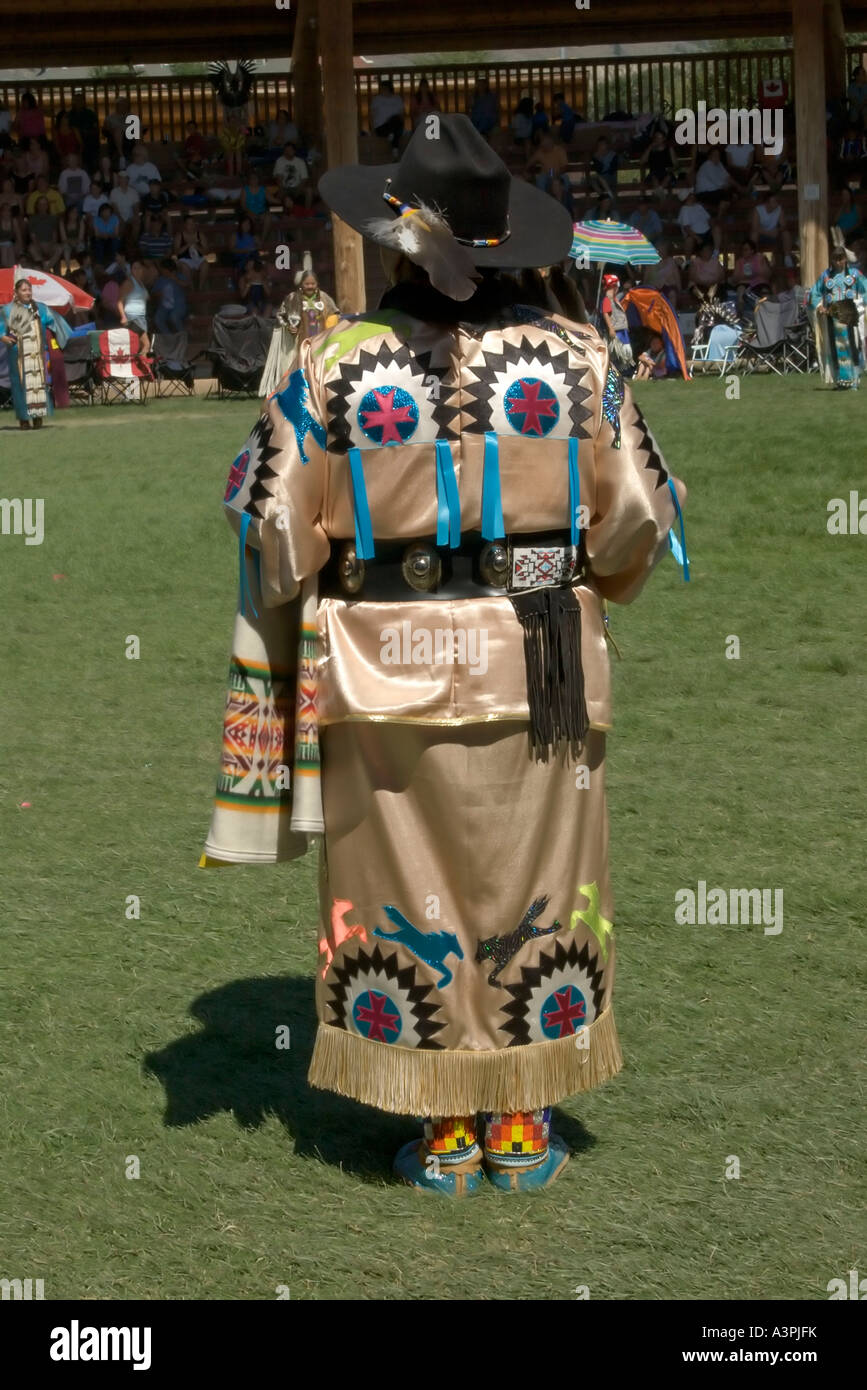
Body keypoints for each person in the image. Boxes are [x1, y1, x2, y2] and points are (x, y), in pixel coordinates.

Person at [202, 115, 687, 1195]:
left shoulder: (332, 365)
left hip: (385, 672)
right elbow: (643, 519)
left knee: (404, 889)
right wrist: (586, 570)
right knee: (540, 880)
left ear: (390, 237)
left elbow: (272, 530)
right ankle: (520, 1116)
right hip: (544, 665)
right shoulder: (582, 361)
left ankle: (442, 1126)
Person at [258, 259, 338, 396]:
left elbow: (335, 313)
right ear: (301, 284)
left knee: (318, 367)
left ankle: (320, 391)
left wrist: (332, 326)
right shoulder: (292, 298)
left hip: (320, 340)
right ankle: (299, 392)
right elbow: (280, 315)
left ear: (317, 284)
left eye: (313, 283)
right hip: (299, 342)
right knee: (300, 367)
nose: (310, 286)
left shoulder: (324, 298)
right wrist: (289, 327)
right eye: (307, 284)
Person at [0, 277, 70, 428]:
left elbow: (55, 321)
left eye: (29, 289)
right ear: (16, 292)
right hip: (17, 354)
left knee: (37, 385)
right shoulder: (7, 309)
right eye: (24, 290)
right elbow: (1, 328)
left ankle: (38, 417)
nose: (27, 293)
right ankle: (24, 419)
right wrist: (3, 337)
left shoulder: (41, 308)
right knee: (20, 386)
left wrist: (61, 336)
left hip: (36, 354)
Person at [808, 244, 867, 390]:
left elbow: (865, 289)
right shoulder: (826, 276)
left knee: (851, 346)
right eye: (835, 259)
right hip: (832, 315)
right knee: (834, 348)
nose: (838, 262)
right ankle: (840, 381)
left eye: (841, 259)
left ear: (846, 259)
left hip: (849, 313)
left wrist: (861, 305)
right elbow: (814, 293)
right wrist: (819, 306)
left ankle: (853, 381)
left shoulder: (854, 274)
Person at [600, 272, 633, 367]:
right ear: (614, 286)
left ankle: (622, 370)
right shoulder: (607, 299)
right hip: (616, 331)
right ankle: (616, 370)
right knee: (617, 354)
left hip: (622, 330)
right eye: (617, 286)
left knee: (624, 352)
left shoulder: (614, 299)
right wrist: (611, 328)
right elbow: (606, 313)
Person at [750, 189, 792, 264]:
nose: (776, 202)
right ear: (767, 202)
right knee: (754, 234)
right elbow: (755, 227)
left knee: (786, 233)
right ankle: (753, 259)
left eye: (776, 200)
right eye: (774, 201)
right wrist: (768, 233)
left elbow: (784, 226)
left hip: (774, 234)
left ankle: (787, 259)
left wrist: (778, 230)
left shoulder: (779, 209)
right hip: (761, 235)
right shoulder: (758, 210)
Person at [730, 238, 772, 313]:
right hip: (744, 282)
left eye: (746, 250)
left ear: (752, 251)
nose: (743, 252)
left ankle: (767, 312)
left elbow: (768, 274)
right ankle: (740, 312)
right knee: (740, 290)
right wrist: (743, 275)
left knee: (765, 291)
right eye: (742, 250)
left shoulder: (760, 258)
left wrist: (757, 271)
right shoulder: (740, 261)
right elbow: (735, 278)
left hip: (760, 282)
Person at [151, 257, 190, 335]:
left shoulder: (180, 276)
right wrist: (158, 294)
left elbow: (187, 285)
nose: (162, 271)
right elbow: (153, 293)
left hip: (179, 305)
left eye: (163, 269)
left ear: (168, 270)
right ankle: (170, 337)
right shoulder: (160, 279)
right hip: (164, 306)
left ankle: (183, 335)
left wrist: (176, 279)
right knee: (157, 319)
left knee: (174, 317)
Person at [118, 258, 150, 350]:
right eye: (134, 268)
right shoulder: (129, 283)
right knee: (146, 345)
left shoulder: (141, 283)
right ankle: (145, 364)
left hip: (141, 317)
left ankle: (139, 363)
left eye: (139, 268)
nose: (137, 270)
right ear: (131, 270)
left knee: (139, 346)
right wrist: (123, 317)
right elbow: (120, 301)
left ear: (142, 269)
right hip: (132, 318)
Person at [26, 195, 65, 271]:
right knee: (31, 248)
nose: (42, 206)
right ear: (37, 206)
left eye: (44, 204)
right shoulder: (32, 219)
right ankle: (44, 267)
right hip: (38, 244)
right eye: (40, 204)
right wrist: (40, 247)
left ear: (47, 206)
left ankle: (45, 269)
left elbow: (54, 235)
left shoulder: (52, 218)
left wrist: (51, 245)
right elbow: (33, 236)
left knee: (59, 248)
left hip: (50, 244)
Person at [174, 214, 210, 287]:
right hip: (184, 259)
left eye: (193, 223)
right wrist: (188, 245)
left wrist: (196, 246)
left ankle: (200, 286)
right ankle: (191, 287)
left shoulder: (200, 235)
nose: (191, 226)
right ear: (184, 225)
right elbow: (176, 252)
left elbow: (206, 252)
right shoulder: (179, 235)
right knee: (185, 267)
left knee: (206, 264)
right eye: (189, 224)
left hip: (198, 259)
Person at [369, 80, 405, 154]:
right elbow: (371, 116)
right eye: (381, 88)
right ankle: (394, 145)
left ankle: (394, 146)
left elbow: (401, 115)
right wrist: (372, 130)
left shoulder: (397, 99)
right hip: (381, 127)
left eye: (384, 88)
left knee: (396, 119)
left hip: (395, 124)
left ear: (389, 88)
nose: (382, 90)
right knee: (394, 130)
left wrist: (396, 123)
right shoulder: (377, 99)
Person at [641, 129, 676, 196]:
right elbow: (641, 162)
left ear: (664, 139)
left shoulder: (669, 149)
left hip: (666, 172)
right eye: (656, 138)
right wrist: (649, 148)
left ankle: (657, 193)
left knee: (668, 177)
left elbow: (676, 164)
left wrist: (672, 169)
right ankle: (660, 194)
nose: (657, 140)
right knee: (654, 178)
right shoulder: (651, 150)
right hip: (654, 173)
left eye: (659, 138)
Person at [92, 202, 122, 266]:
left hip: (112, 237)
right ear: (100, 212)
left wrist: (108, 235)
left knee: (116, 242)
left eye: (108, 211)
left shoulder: (115, 218)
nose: (106, 213)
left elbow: (116, 233)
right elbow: (96, 234)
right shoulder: (96, 219)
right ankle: (99, 263)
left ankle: (114, 262)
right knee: (98, 242)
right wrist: (103, 235)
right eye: (104, 211)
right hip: (100, 237)